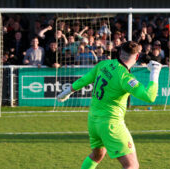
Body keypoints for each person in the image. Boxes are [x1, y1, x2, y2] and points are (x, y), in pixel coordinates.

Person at [57, 41, 162, 169]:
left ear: (119, 53)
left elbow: (85, 79)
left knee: (97, 155)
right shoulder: (126, 77)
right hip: (111, 124)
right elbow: (149, 96)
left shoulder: (103, 64)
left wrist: (67, 92)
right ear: (136, 57)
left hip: (93, 121)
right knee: (132, 165)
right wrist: (155, 72)